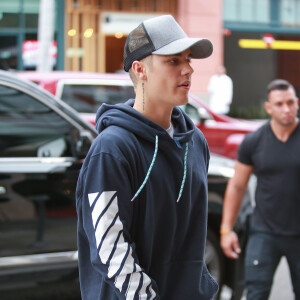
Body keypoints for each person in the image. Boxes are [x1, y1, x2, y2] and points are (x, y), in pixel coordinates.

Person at [76, 14, 218, 300]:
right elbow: (110, 250)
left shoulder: (195, 142)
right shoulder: (112, 149)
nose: (188, 69)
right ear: (140, 69)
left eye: (188, 59)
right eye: (173, 61)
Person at [220, 79, 300, 300]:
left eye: (290, 102)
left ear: (297, 103)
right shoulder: (254, 142)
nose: (286, 109)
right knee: (255, 294)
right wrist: (226, 230)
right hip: (264, 232)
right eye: (280, 104)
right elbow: (237, 185)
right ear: (268, 107)